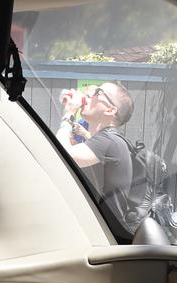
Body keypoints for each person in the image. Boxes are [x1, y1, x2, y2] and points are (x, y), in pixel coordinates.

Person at [54, 80, 135, 224]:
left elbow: (60, 156)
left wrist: (69, 114)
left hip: (102, 235)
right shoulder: (105, 140)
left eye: (98, 93)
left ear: (110, 110)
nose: (90, 94)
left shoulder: (109, 141)